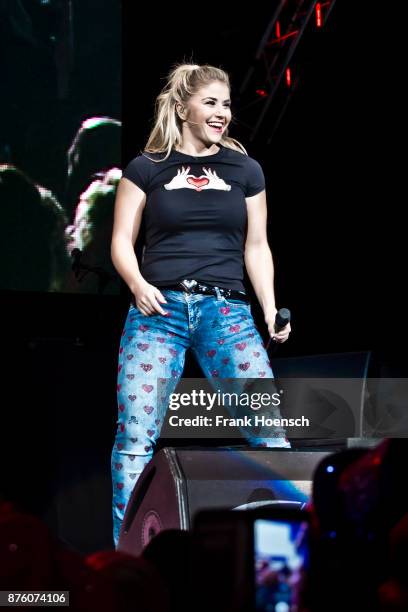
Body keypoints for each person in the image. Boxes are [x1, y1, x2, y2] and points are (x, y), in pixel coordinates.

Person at [110, 63, 291, 546]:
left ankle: (285, 552)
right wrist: (136, 283)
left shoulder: (245, 170)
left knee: (270, 433)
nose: (222, 113)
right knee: (134, 438)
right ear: (183, 107)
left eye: (226, 104)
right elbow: (121, 242)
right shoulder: (146, 167)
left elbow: (257, 246)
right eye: (210, 102)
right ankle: (129, 560)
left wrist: (271, 308)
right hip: (157, 311)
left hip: (227, 312)